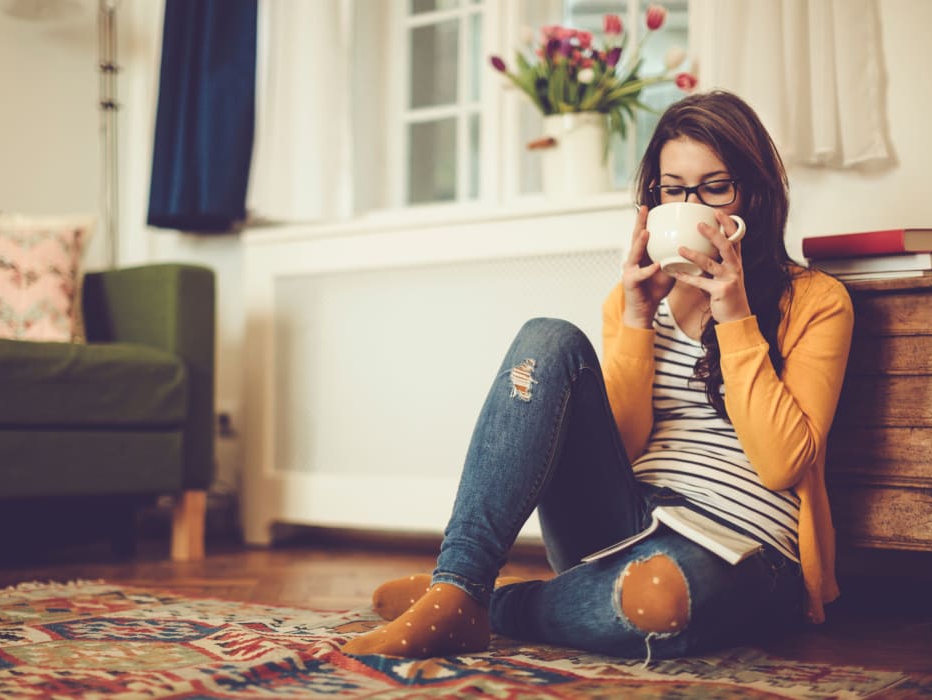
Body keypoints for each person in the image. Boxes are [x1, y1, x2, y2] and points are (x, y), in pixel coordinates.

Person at [341, 90, 854, 661]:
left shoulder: (816, 300)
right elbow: (624, 443)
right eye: (674, 189)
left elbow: (783, 463)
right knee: (546, 337)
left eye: (715, 186)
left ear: (753, 195)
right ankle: (459, 581)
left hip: (743, 549)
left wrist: (734, 315)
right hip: (623, 521)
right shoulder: (634, 303)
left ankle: (486, 605)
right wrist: (638, 318)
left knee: (657, 601)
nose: (694, 205)